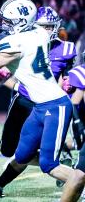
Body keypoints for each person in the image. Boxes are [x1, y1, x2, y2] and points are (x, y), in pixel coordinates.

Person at [0, 0, 73, 197]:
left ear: (21, 22)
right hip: (39, 106)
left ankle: (78, 180)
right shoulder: (39, 34)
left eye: (9, 21)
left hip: (55, 106)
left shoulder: (17, 42)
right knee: (22, 154)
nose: (4, 25)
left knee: (49, 165)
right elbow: (7, 50)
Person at [0, 6, 77, 197]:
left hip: (50, 102)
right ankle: (60, 159)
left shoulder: (66, 48)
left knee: (44, 158)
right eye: (41, 26)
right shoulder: (25, 42)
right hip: (25, 100)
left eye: (49, 26)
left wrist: (68, 83)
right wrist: (7, 73)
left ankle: (65, 169)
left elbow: (65, 76)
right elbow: (6, 57)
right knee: (10, 149)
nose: (46, 31)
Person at [60, 62, 85, 202]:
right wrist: (78, 123)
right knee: (80, 174)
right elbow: (75, 102)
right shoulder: (79, 73)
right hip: (79, 117)